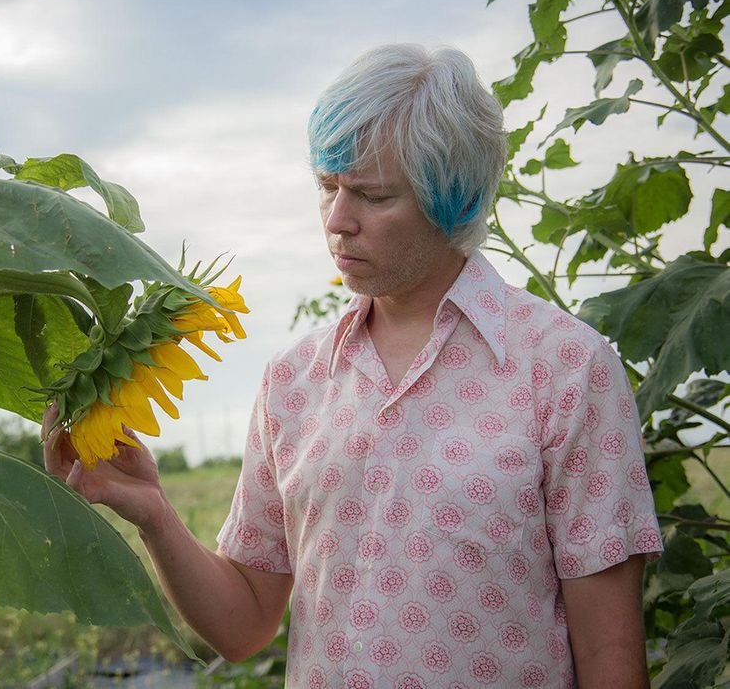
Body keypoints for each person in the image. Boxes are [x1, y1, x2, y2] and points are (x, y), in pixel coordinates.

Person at [42, 44, 663, 689]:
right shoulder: (294, 382)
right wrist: (153, 512)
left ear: (449, 196)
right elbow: (244, 624)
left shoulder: (563, 368)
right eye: (327, 186)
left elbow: (610, 655)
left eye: (371, 194)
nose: (338, 221)